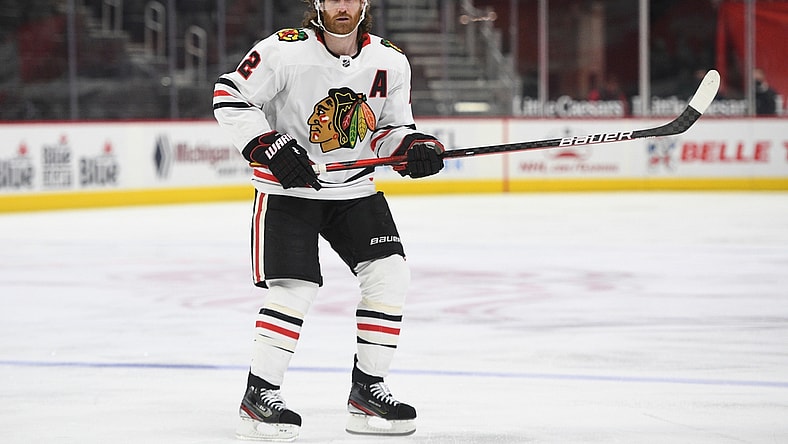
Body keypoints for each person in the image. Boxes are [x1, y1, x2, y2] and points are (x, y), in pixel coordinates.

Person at [212, 0, 444, 440]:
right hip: (288, 192)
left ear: (365, 4)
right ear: (318, 4)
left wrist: (414, 145)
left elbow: (389, 128)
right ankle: (259, 395)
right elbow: (229, 95)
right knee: (295, 289)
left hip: (354, 190)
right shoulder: (285, 50)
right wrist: (267, 144)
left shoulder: (390, 61)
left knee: (390, 274)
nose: (343, 5)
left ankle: (368, 391)